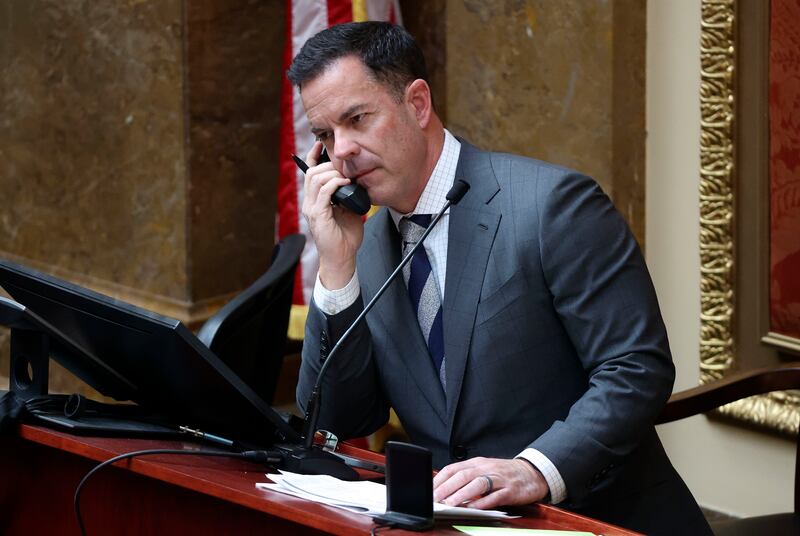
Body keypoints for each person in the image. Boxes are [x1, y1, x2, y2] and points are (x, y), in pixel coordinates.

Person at [289, 21, 711, 534]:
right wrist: (336, 270)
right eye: (325, 136)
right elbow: (336, 421)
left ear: (417, 103)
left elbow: (635, 369)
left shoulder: (552, 205)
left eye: (358, 119)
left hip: (594, 518)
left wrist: (536, 469)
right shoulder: (365, 250)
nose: (343, 151)